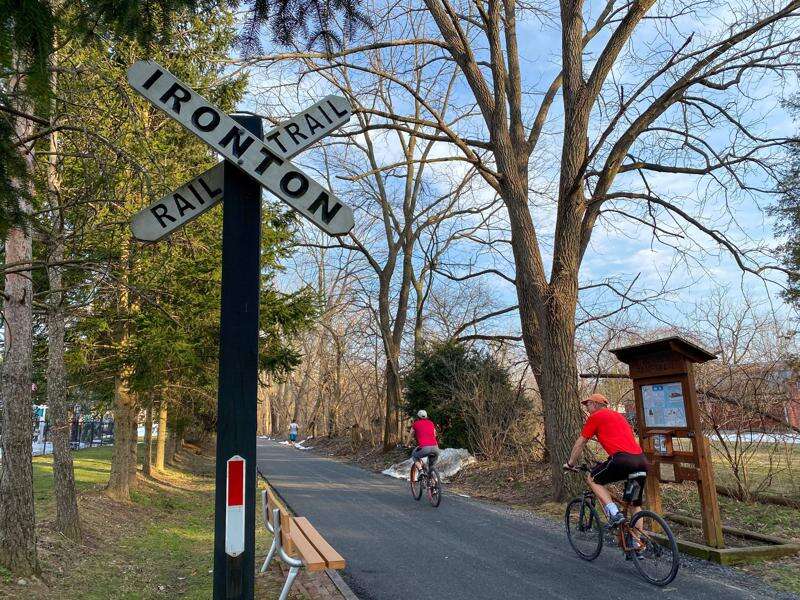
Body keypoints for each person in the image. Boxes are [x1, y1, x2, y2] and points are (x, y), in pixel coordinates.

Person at [564, 393, 649, 527]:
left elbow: (581, 442)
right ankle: (637, 543)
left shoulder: (596, 416)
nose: (586, 407)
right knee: (634, 504)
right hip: (641, 461)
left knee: (592, 478)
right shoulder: (619, 416)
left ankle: (614, 513)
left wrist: (570, 464)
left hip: (623, 459)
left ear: (596, 404)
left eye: (588, 404)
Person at [407, 410, 440, 480]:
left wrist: (407, 444)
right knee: (431, 467)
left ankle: (421, 471)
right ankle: (434, 485)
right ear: (426, 416)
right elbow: (435, 434)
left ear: (418, 417)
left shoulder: (415, 424)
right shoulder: (431, 423)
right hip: (435, 448)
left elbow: (410, 435)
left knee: (414, 455)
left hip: (424, 448)